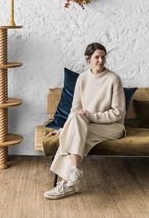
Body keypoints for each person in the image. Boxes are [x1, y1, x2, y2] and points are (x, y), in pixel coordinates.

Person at [44, 42, 126, 200]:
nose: (101, 61)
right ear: (88, 58)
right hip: (85, 124)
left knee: (74, 135)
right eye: (97, 57)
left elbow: (118, 113)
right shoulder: (82, 78)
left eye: (103, 57)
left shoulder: (113, 79)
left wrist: (89, 117)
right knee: (78, 130)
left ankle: (65, 185)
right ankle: (72, 173)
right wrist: (64, 128)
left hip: (112, 127)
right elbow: (75, 110)